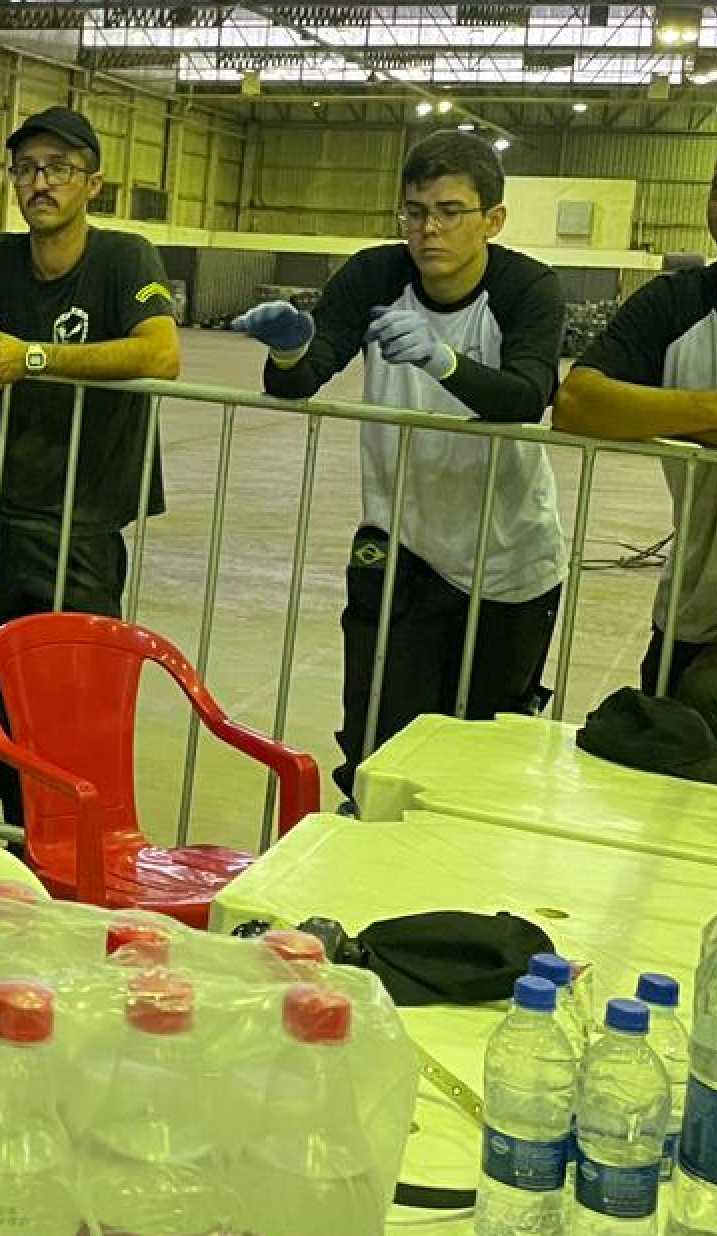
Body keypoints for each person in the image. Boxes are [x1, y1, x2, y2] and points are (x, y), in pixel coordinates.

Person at [234, 130, 566, 801]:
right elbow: (301, 380)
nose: (428, 229)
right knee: (376, 750)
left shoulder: (528, 288)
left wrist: (442, 361)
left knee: (480, 754)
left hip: (508, 561)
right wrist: (292, 350)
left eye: (449, 211)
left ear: (492, 220)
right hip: (399, 543)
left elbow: (528, 393)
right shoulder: (374, 275)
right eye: (414, 212)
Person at [0, 105, 181, 816]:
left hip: (81, 522)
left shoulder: (124, 257)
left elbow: (160, 351)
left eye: (58, 169)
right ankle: (16, 814)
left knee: (72, 689)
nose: (40, 183)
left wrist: (35, 357)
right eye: (26, 169)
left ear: (93, 184)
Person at [554, 121, 717, 747]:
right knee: (659, 734)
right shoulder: (672, 304)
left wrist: (650, 411)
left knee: (711, 705)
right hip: (697, 588)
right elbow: (576, 404)